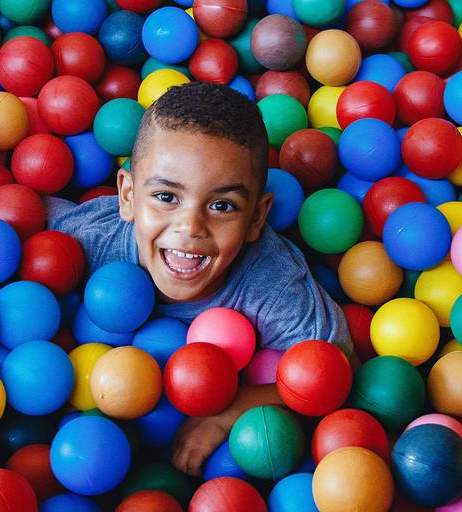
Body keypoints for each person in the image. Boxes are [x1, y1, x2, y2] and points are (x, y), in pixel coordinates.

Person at [45, 81, 353, 476]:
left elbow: (339, 367)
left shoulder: (271, 283)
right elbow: (22, 219)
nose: (190, 226)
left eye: (222, 205)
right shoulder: (89, 241)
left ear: (256, 217)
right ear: (127, 196)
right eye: (166, 197)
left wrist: (230, 411)